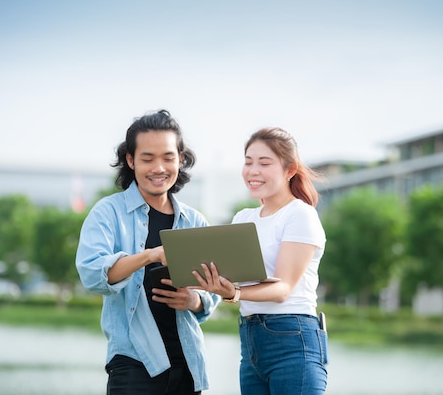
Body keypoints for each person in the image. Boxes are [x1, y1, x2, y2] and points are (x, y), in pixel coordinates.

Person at [76, 109, 222, 395]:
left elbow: (211, 295)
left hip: (188, 366)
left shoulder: (195, 222)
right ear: (130, 160)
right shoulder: (108, 212)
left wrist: (193, 300)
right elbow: (93, 274)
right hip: (133, 365)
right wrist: (151, 255)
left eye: (168, 157)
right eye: (147, 158)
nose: (159, 167)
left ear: (180, 159)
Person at [192, 127, 328, 395]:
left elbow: (282, 289)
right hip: (251, 341)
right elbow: (229, 276)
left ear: (290, 170)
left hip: (293, 340)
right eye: (248, 161)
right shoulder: (243, 218)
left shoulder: (300, 215)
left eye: (264, 163)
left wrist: (234, 293)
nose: (253, 171)